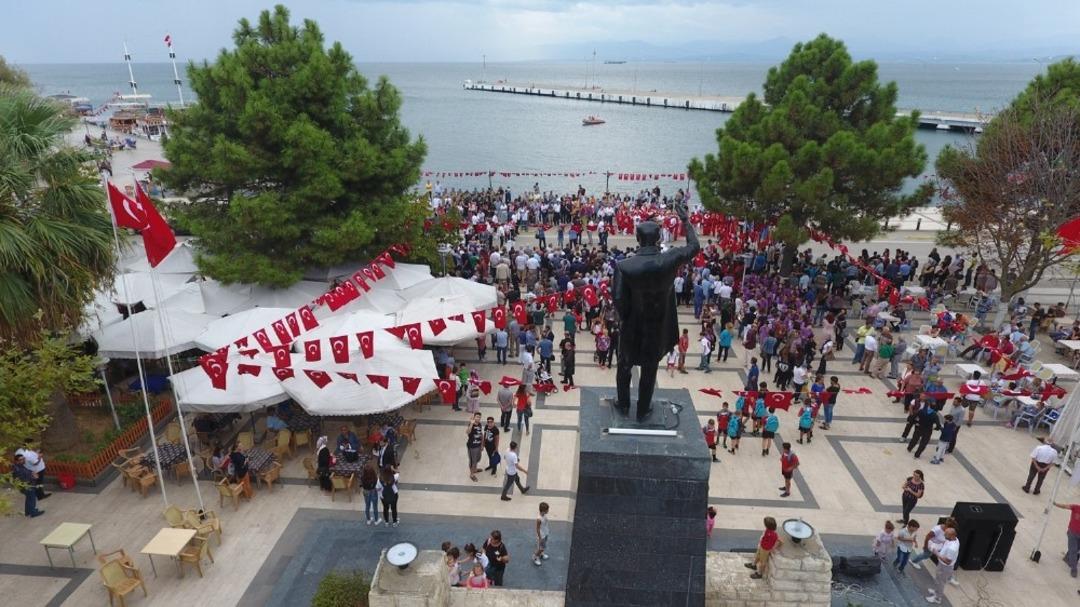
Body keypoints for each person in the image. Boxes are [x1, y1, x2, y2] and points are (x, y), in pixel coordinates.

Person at [612, 199, 700, 420]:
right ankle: (643, 410)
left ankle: (623, 404)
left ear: (638, 239)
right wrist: (685, 220)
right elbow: (694, 247)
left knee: (624, 366)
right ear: (659, 238)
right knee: (650, 370)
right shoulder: (669, 260)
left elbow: (619, 298)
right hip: (658, 325)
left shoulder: (624, 266)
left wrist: (625, 320)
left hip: (632, 325)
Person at [925, 526, 960, 604]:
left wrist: (936, 553)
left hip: (945, 567)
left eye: (946, 534)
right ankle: (936, 591)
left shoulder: (952, 548)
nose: (944, 535)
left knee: (940, 582)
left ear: (952, 536)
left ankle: (937, 598)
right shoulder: (954, 539)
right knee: (938, 580)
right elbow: (945, 544)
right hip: (942, 564)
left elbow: (948, 562)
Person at [1052, 500, 1080, 578]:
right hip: (1073, 533)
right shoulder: (1076, 507)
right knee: (1074, 550)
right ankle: (1074, 569)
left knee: (1076, 549)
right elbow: (1065, 506)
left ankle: (1067, 558)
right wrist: (1056, 503)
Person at [467, 413, 484, 482]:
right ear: (474, 417)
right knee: (472, 461)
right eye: (477, 417)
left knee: (478, 458)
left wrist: (482, 445)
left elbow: (481, 434)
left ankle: (475, 469)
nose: (478, 418)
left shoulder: (479, 424)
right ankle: (472, 474)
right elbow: (468, 432)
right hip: (472, 447)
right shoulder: (471, 425)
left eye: (479, 417)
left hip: (478, 445)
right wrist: (471, 424)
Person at [534, 501, 551, 566]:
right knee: (541, 548)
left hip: (545, 533)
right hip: (542, 535)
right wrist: (540, 537)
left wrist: (547, 532)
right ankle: (535, 557)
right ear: (543, 510)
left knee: (542, 547)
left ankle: (541, 554)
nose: (548, 511)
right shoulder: (539, 519)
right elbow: (537, 529)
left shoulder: (544, 515)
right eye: (547, 510)